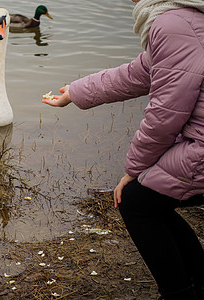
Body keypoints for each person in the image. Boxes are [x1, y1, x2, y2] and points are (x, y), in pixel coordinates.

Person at [42, 0, 204, 299]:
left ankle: (180, 293)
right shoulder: (186, 18)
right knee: (150, 201)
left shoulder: (173, 25)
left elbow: (165, 115)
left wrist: (134, 170)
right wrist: (74, 92)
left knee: (134, 201)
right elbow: (138, 73)